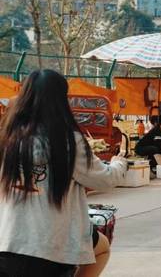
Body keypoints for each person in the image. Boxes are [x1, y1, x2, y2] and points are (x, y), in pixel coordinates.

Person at [0, 69, 127, 277]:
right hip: (50, 249)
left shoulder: (7, 138)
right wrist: (119, 163)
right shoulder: (67, 140)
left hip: (6, 242)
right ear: (62, 99)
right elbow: (105, 179)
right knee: (101, 247)